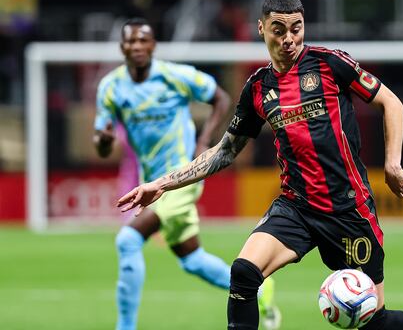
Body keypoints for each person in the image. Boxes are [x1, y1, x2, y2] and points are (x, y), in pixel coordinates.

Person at [117, 0, 403, 330]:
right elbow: (225, 151)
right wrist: (161, 184)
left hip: (348, 209)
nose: (289, 38)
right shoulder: (258, 88)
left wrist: (393, 165)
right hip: (297, 208)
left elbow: (391, 102)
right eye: (279, 29)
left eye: (297, 28)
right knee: (244, 273)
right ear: (261, 29)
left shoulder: (329, 63)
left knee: (372, 323)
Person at [94, 18, 280, 330]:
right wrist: (103, 141)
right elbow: (100, 144)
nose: (137, 47)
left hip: (181, 177)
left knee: (128, 240)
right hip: (149, 181)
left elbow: (219, 97)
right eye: (131, 42)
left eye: (143, 41)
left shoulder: (175, 76)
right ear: (122, 47)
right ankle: (260, 290)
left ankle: (124, 327)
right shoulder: (110, 88)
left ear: (153, 46)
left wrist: (204, 140)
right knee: (191, 259)